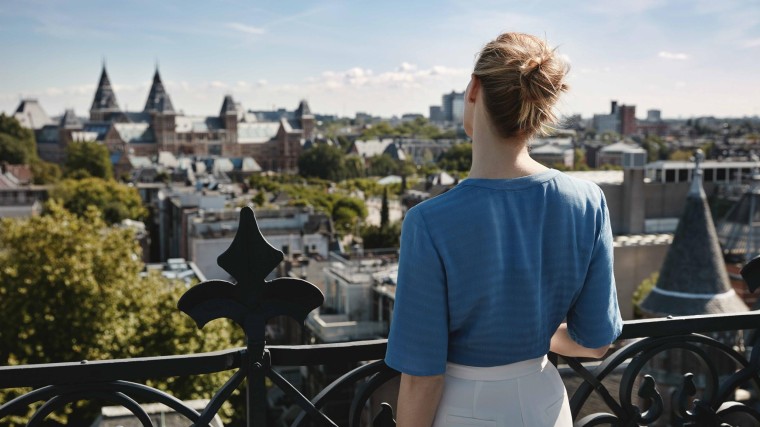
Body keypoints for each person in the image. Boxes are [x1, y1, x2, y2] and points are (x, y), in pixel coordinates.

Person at [384, 32, 623, 426]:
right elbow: (596, 343)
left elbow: (423, 378)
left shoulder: (429, 222)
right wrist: (529, 337)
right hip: (546, 404)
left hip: (464, 410)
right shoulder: (587, 201)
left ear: (475, 88)